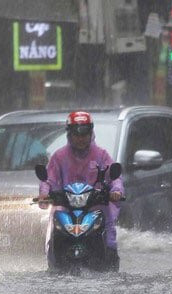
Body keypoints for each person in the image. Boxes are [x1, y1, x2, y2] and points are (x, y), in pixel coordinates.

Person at [40, 110, 124, 270]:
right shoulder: (58, 157)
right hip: (66, 209)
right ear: (69, 134)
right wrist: (44, 194)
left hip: (96, 208)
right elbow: (48, 180)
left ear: (90, 133)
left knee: (109, 232)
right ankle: (54, 261)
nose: (80, 138)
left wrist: (116, 191)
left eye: (84, 134)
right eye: (76, 134)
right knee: (53, 230)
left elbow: (115, 177)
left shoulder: (101, 155)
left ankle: (110, 261)